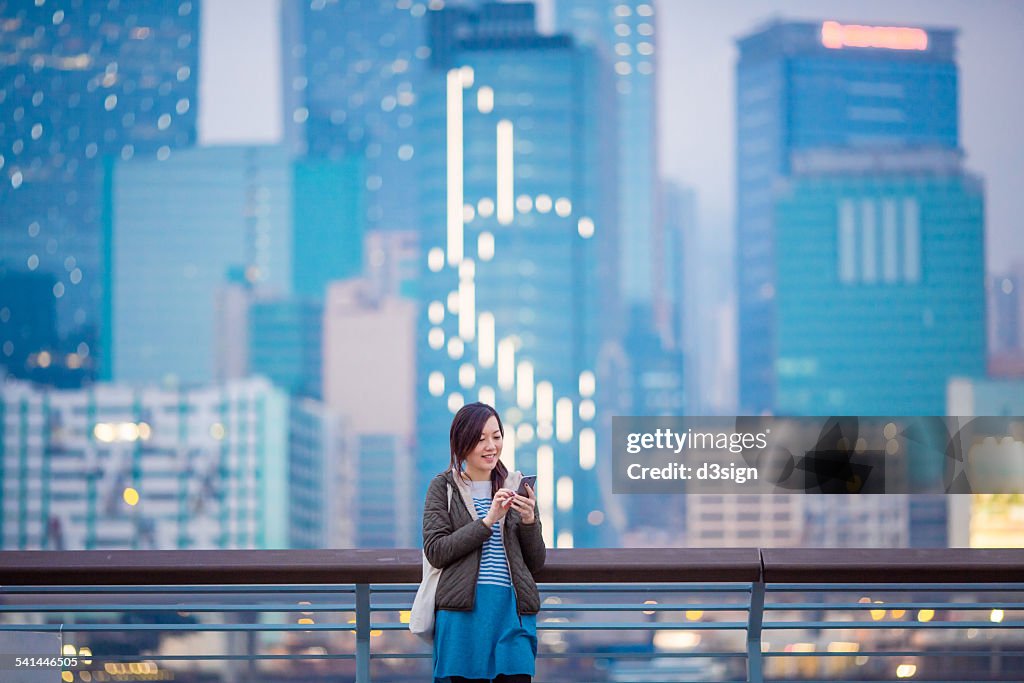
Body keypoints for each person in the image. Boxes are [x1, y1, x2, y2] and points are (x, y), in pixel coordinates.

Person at [422, 402, 546, 683]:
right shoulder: (444, 488)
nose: (491, 446)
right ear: (461, 443)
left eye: (496, 436)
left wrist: (529, 522)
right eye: (480, 439)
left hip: (512, 613)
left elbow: (536, 562)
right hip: (463, 616)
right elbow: (436, 551)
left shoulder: (516, 486)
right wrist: (487, 521)